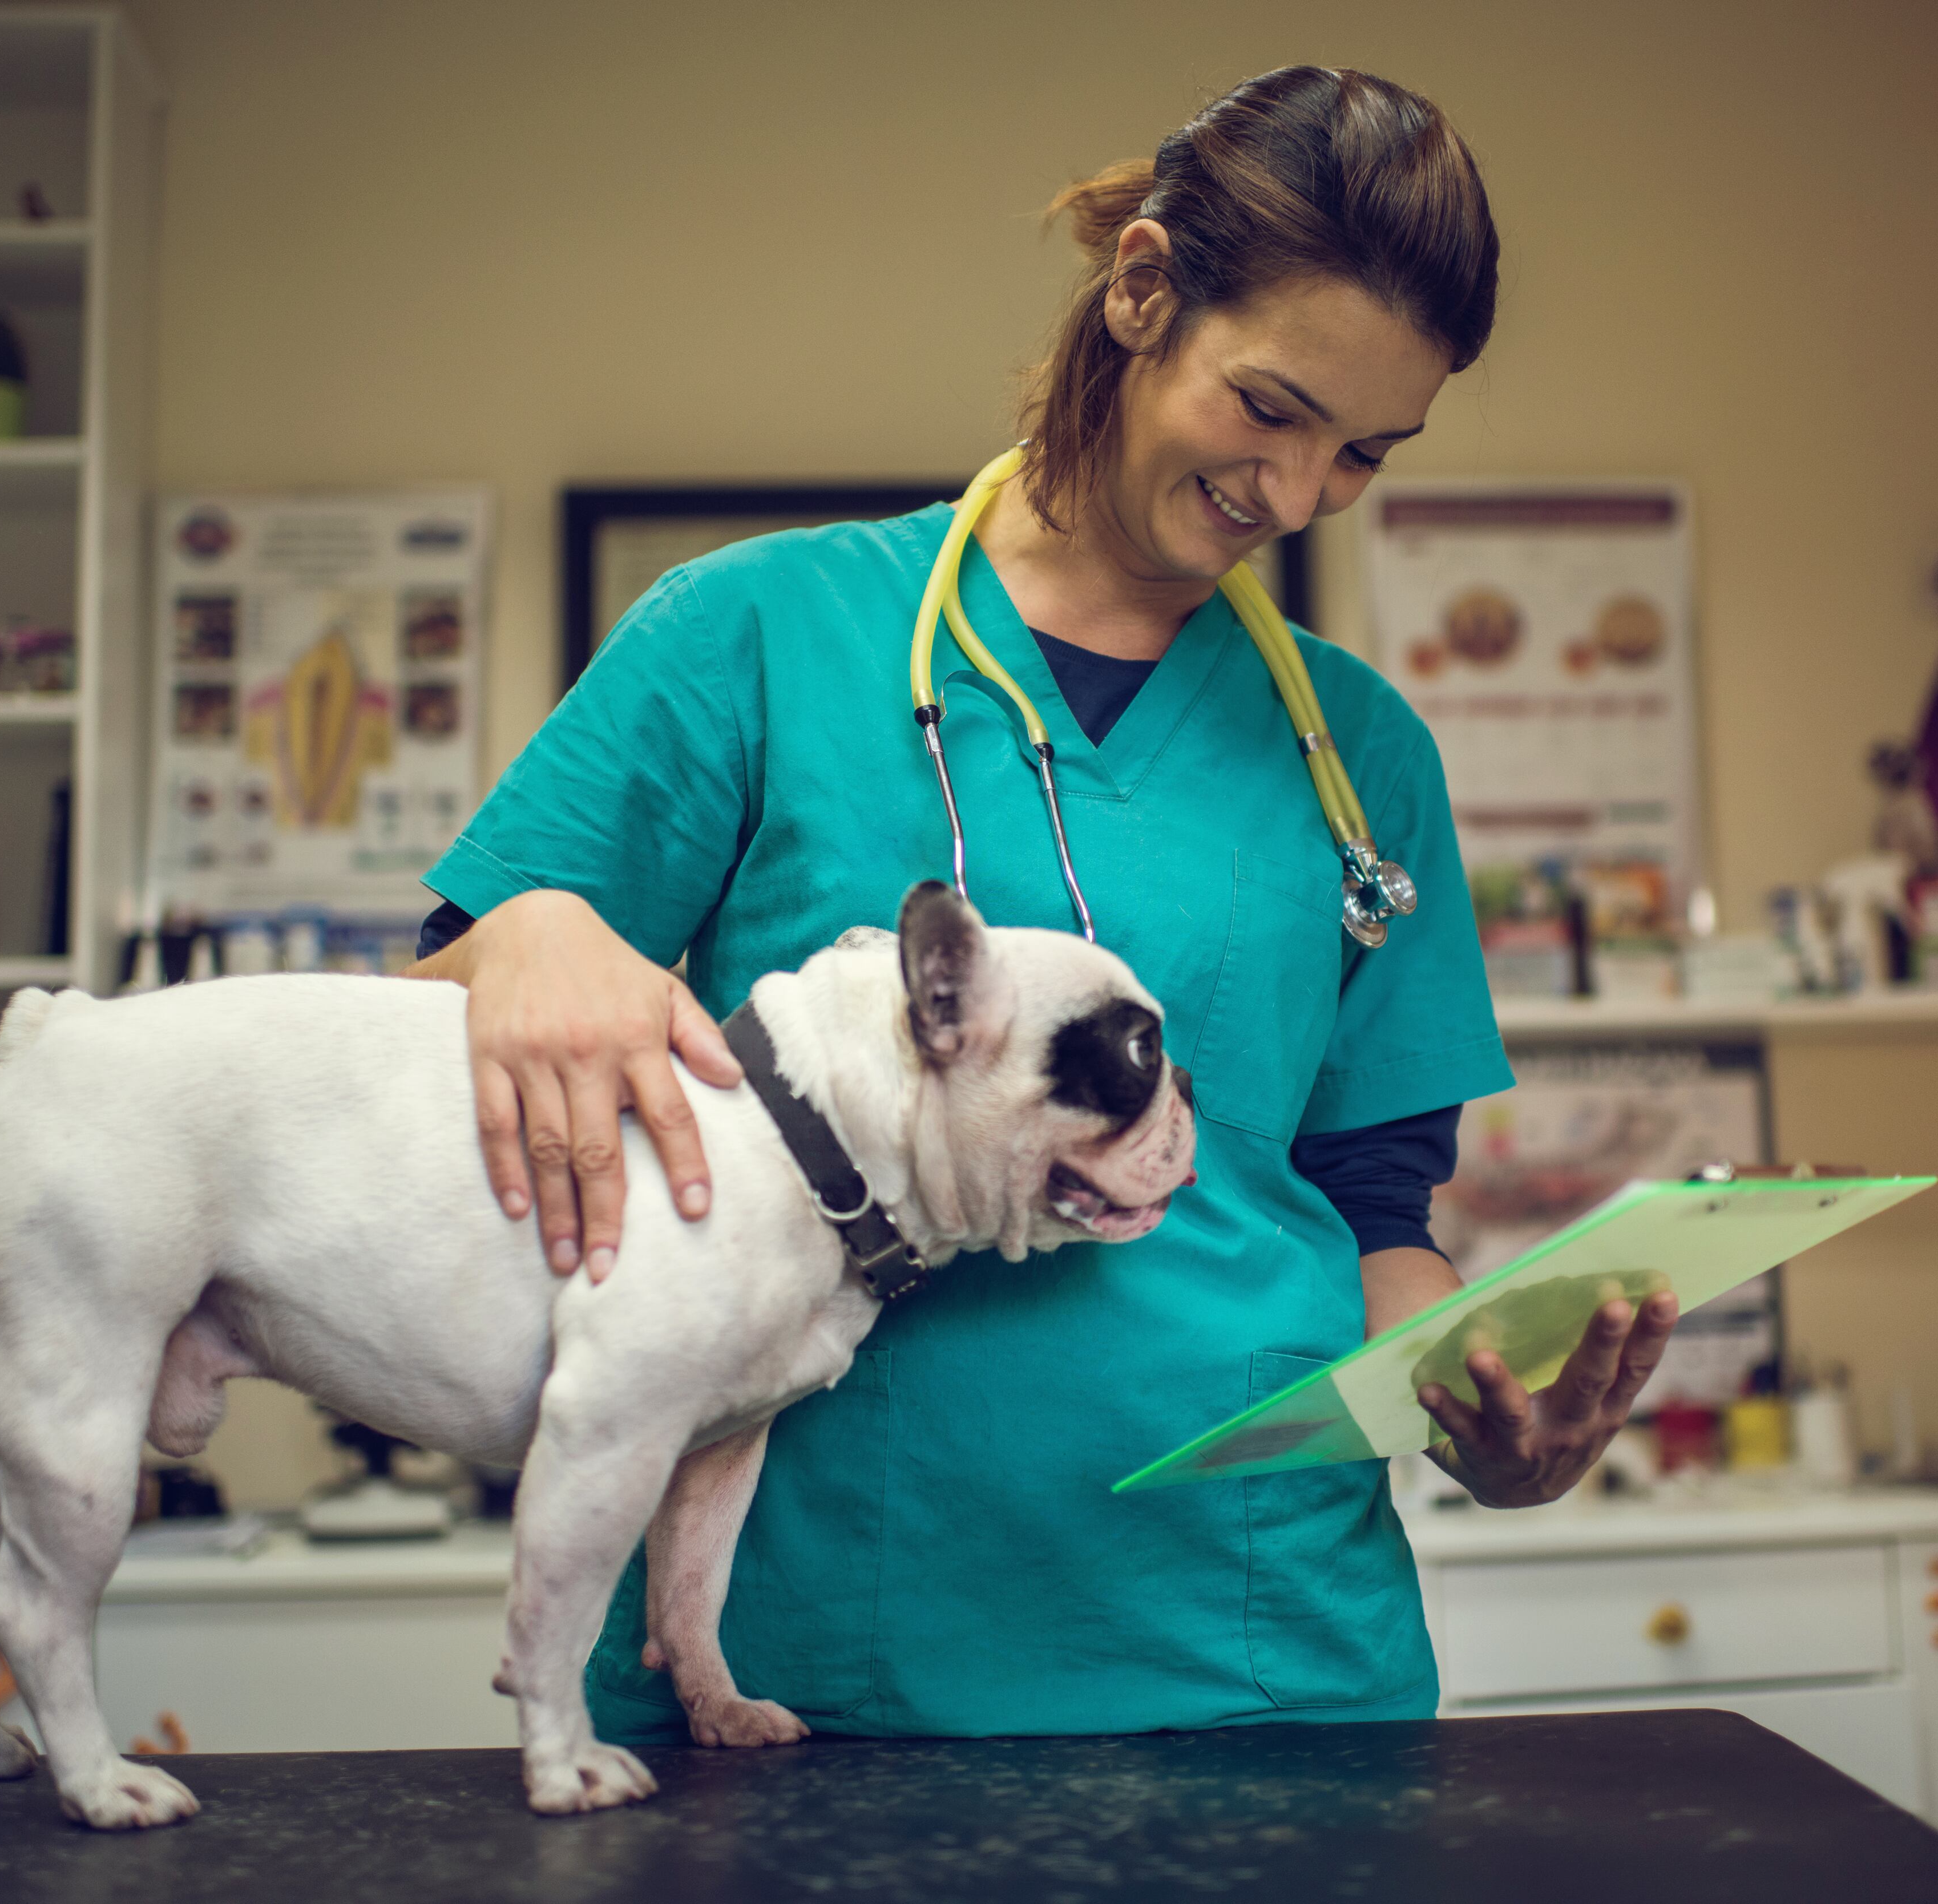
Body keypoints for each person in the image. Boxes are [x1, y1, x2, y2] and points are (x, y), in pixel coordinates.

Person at [409, 64, 1679, 1744]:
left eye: (1364, 452)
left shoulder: (1364, 748)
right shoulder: (755, 635)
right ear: (1142, 287)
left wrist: (1486, 1412)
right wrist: (532, 937)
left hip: (1268, 1657)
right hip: (818, 1653)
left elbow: (1379, 1206)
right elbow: (466, 1001)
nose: (1296, 497)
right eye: (1273, 409)